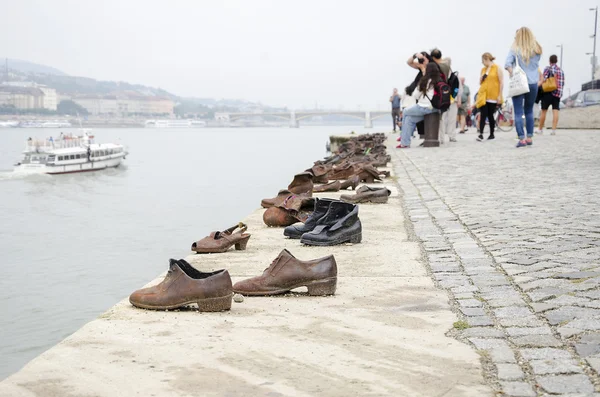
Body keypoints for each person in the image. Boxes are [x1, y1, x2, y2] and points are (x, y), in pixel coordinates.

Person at [505, 27, 542, 148]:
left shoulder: (515, 49)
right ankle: (529, 137)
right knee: (529, 110)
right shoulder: (537, 49)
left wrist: (512, 73)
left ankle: (521, 139)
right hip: (533, 83)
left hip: (520, 83)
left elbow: (507, 64)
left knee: (518, 111)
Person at [397, 62, 442, 148]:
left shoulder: (425, 80)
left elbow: (415, 95)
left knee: (405, 112)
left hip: (424, 107)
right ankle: (404, 142)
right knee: (409, 119)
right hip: (435, 108)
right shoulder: (439, 80)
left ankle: (403, 140)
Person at [476, 52, 503, 141]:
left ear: (486, 59)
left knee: (491, 115)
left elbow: (501, 82)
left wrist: (500, 95)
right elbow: (480, 82)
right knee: (483, 114)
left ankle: (492, 134)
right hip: (484, 95)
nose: (483, 63)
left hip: (493, 96)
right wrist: (481, 79)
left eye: (483, 61)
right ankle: (481, 134)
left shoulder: (497, 68)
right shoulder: (483, 70)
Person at [537, 54, 564, 135]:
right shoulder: (560, 71)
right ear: (556, 61)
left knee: (544, 111)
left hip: (548, 93)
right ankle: (553, 130)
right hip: (557, 94)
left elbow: (543, 79)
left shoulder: (548, 69)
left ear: (550, 61)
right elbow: (562, 83)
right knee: (555, 111)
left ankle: (540, 129)